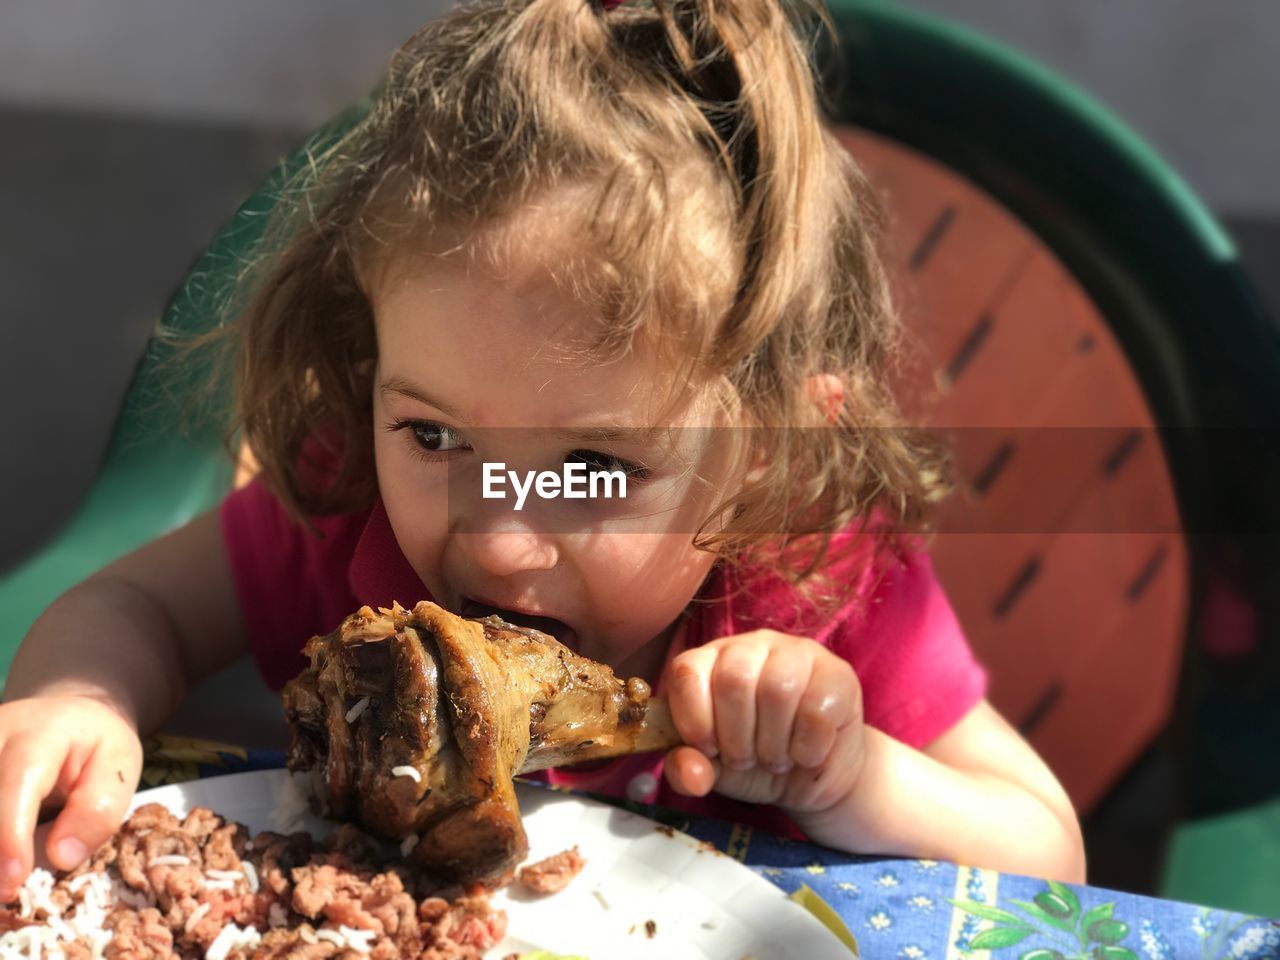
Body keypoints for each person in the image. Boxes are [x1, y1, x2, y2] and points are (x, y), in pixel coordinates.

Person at [0, 0, 1085, 901]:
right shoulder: (341, 506)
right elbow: (130, 608)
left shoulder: (818, 584)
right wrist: (78, 703)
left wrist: (846, 772)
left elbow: (1045, 856)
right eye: (434, 435)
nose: (501, 538)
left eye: (595, 469)